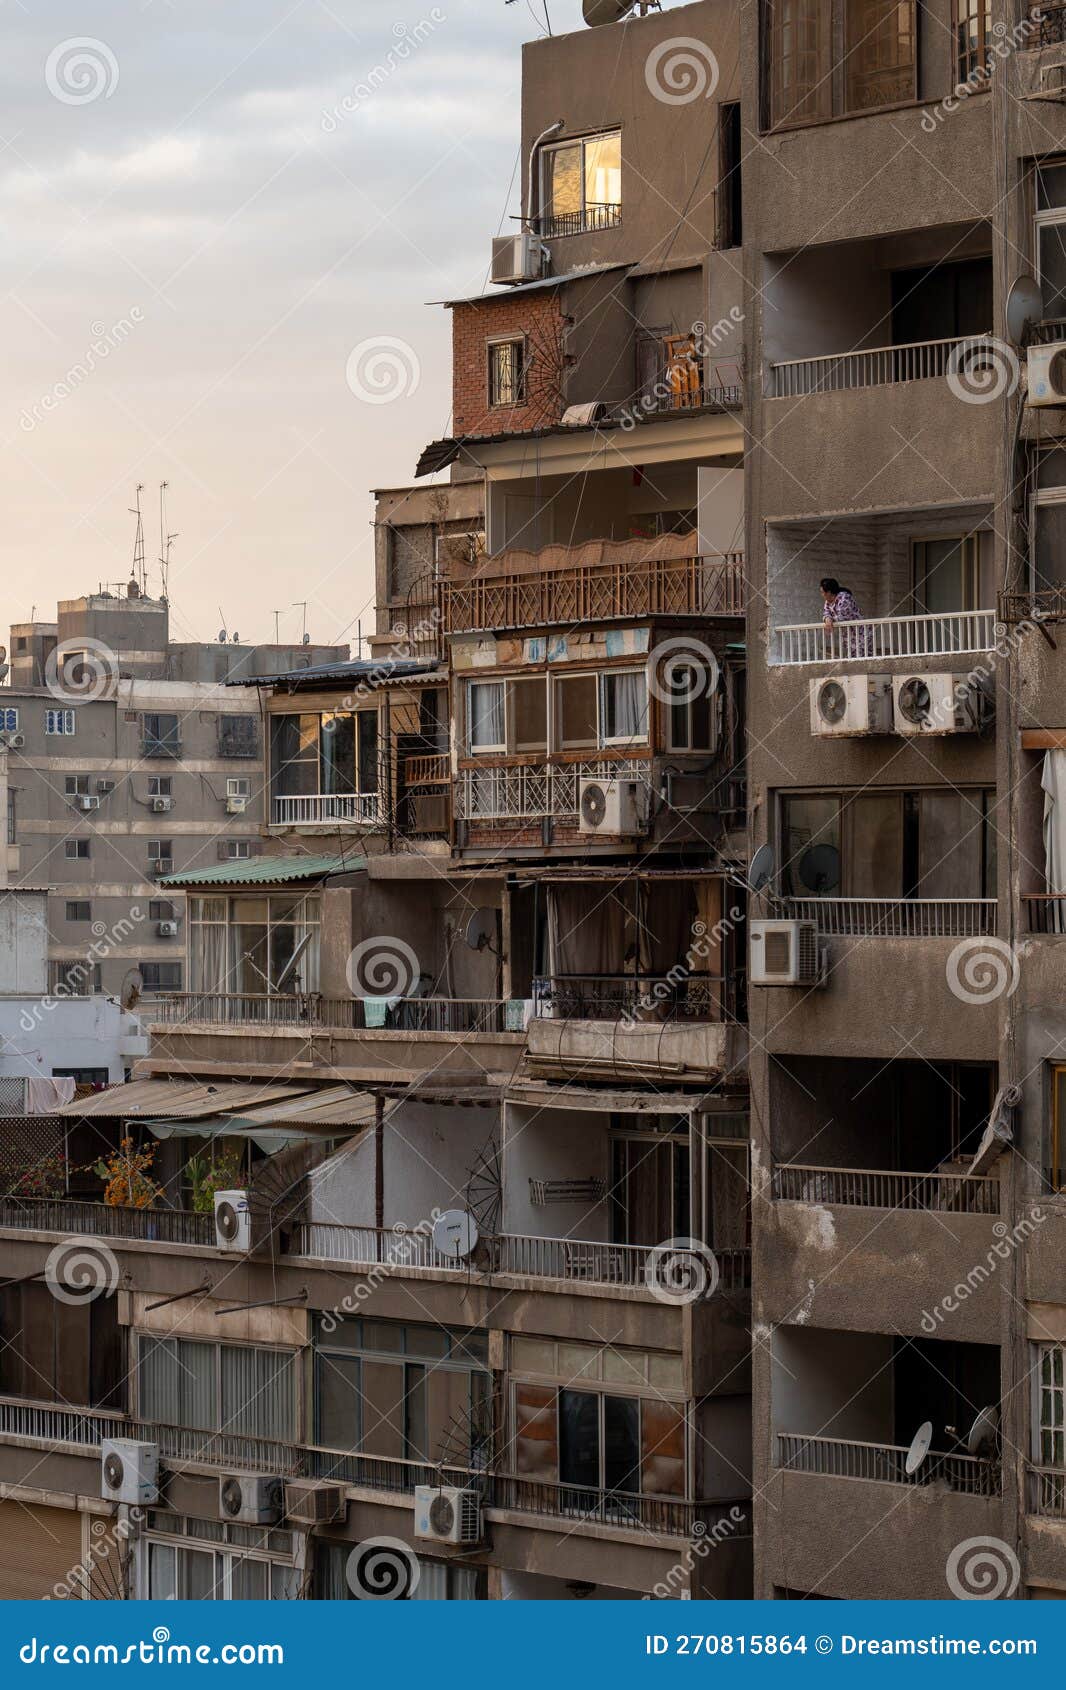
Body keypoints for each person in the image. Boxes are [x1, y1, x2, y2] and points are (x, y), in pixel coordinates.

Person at [820, 577, 869, 656]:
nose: (822, 595)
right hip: (849, 636)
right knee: (852, 658)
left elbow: (842, 617)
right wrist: (827, 618)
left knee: (863, 658)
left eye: (822, 592)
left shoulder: (845, 598)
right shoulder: (828, 602)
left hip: (860, 634)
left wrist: (830, 620)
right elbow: (826, 611)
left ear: (828, 592)